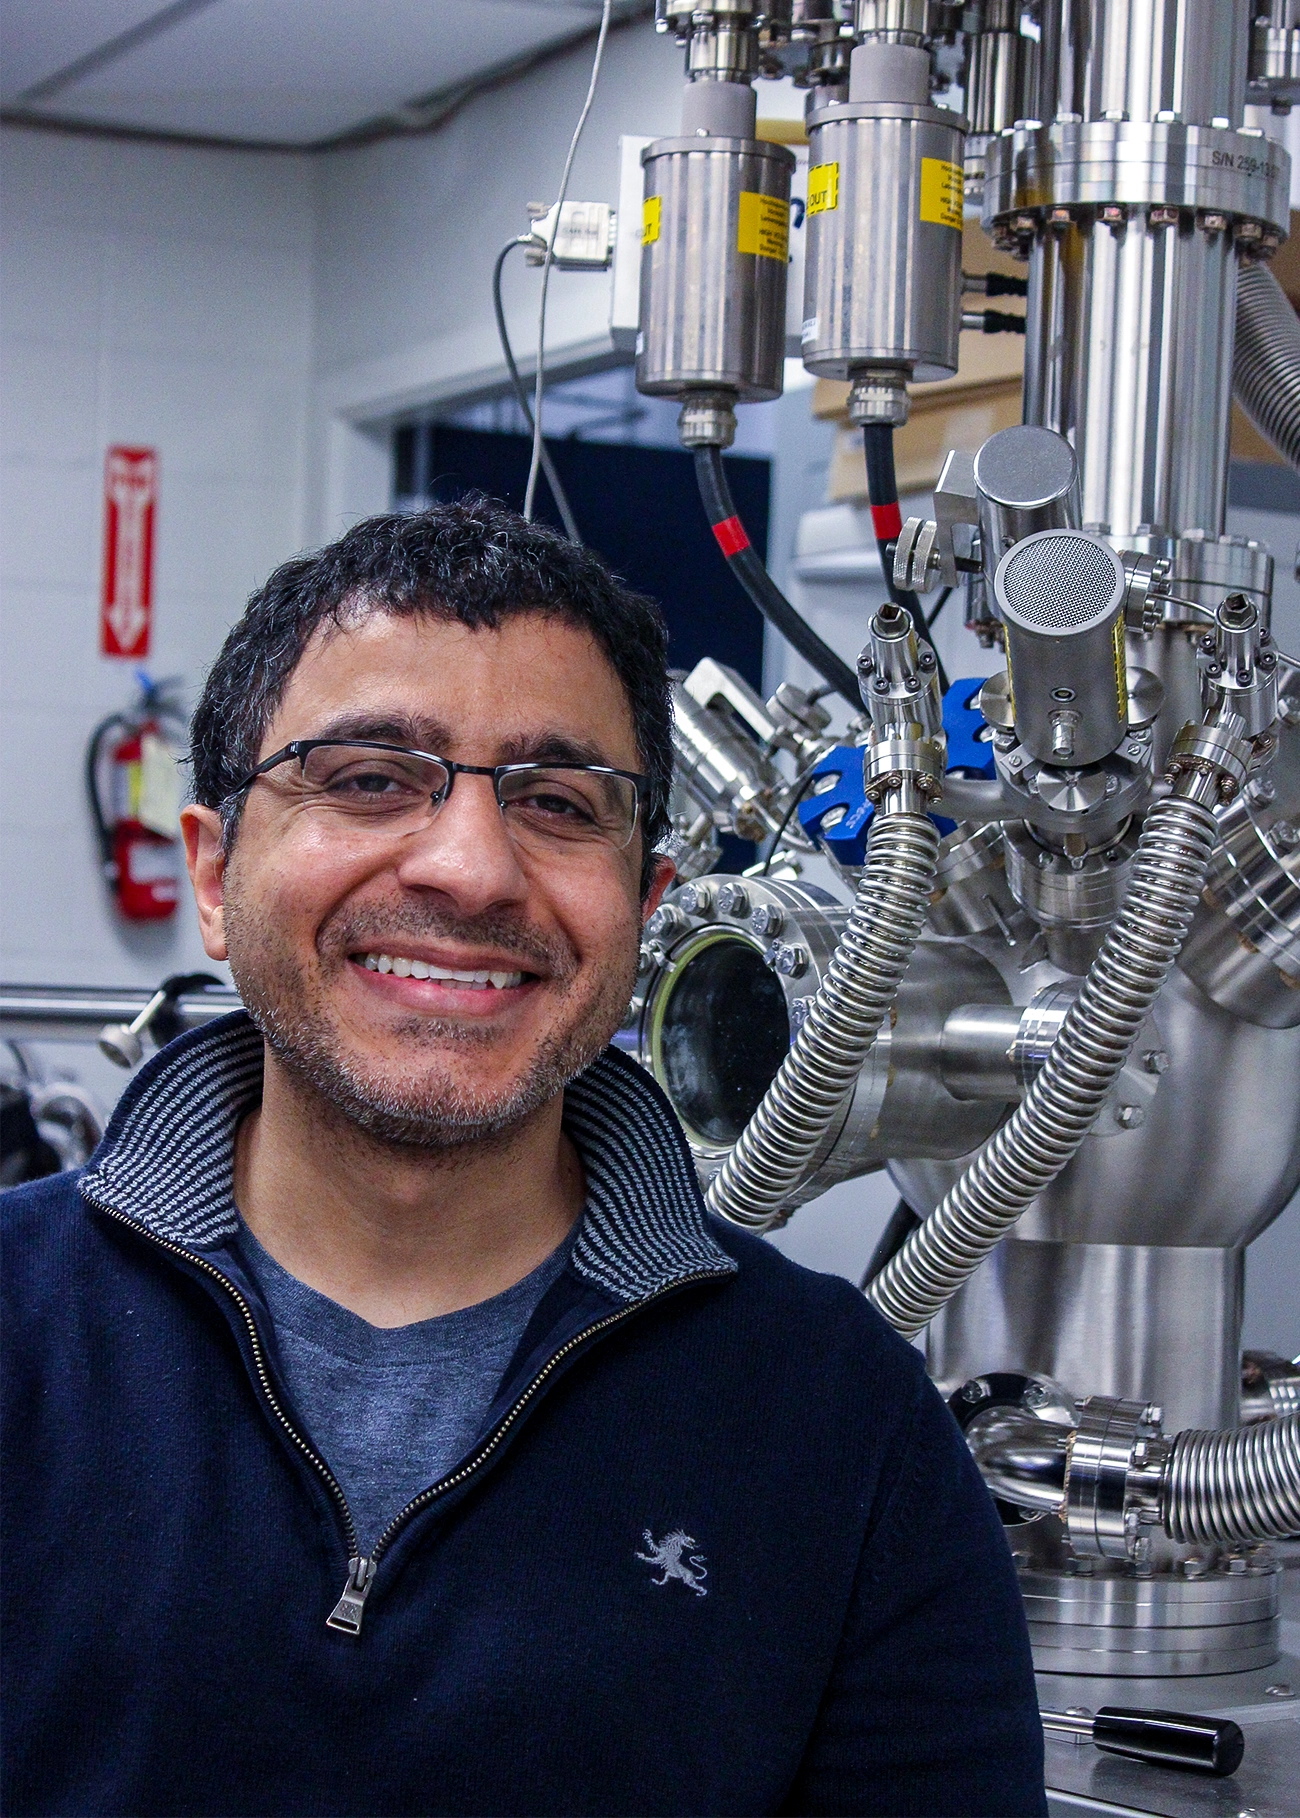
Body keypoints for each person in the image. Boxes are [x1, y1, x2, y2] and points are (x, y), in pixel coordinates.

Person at [0, 497, 1046, 1816]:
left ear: (646, 906)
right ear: (214, 873)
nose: (471, 866)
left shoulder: (851, 1435)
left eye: (556, 800)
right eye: (372, 776)